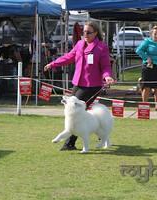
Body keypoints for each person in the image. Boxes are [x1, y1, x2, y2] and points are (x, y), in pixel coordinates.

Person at [44, 21, 114, 151]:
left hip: (92, 86)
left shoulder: (101, 47)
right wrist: (53, 64)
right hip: (78, 83)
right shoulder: (79, 44)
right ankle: (100, 135)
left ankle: (69, 143)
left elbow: (105, 66)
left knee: (77, 113)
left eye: (88, 32)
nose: (85, 35)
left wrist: (107, 76)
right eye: (84, 32)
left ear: (96, 33)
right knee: (72, 111)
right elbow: (69, 57)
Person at [136, 25, 157, 110]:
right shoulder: (147, 41)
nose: (156, 35)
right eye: (155, 34)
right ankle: (144, 106)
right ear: (151, 34)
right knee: (147, 87)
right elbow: (138, 50)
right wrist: (147, 58)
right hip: (148, 67)